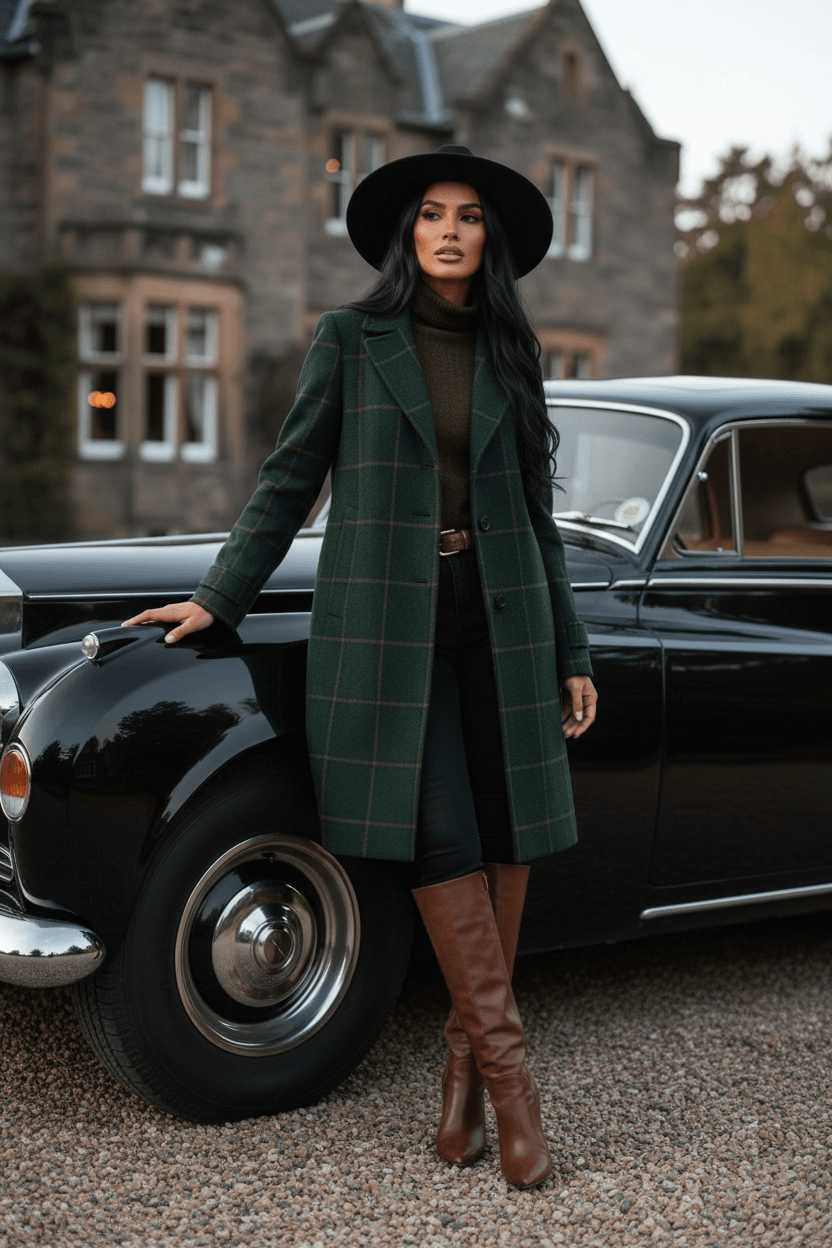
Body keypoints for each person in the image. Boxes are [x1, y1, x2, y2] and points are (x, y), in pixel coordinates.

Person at [124, 145, 597, 1189]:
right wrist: (219, 596)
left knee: (510, 835)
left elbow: (537, 515)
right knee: (444, 837)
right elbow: (290, 475)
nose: (448, 231)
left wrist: (571, 649)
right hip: (388, 622)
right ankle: (512, 1083)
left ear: (489, 238)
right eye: (431, 213)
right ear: (405, 232)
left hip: (504, 616)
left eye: (467, 216)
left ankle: (462, 1074)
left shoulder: (513, 351)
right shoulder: (350, 338)